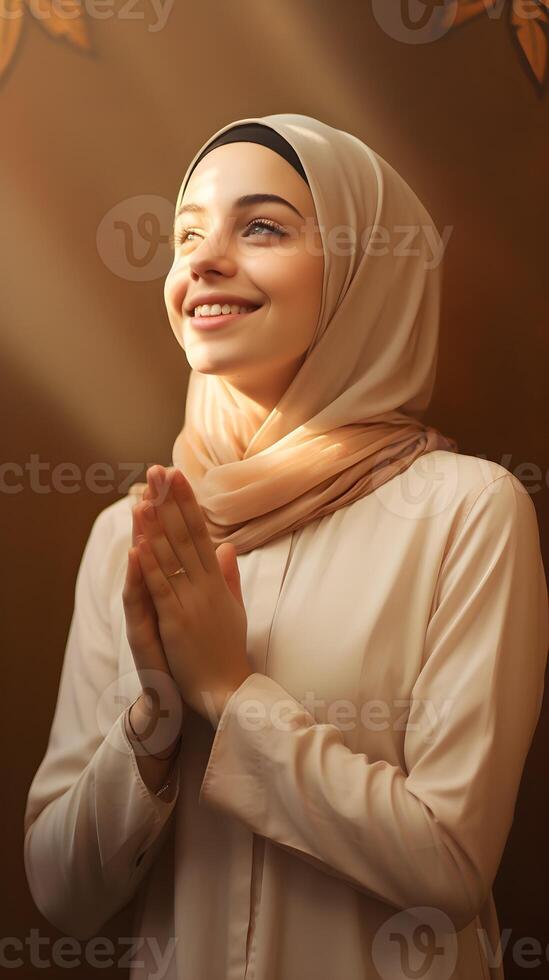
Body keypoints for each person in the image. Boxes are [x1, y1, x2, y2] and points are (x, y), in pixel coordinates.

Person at [24, 114, 548, 980]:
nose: (203, 260)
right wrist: (153, 724)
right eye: (185, 233)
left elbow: (449, 864)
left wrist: (229, 693)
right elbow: (62, 892)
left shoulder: (467, 512)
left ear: (362, 270)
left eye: (260, 227)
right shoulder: (129, 533)